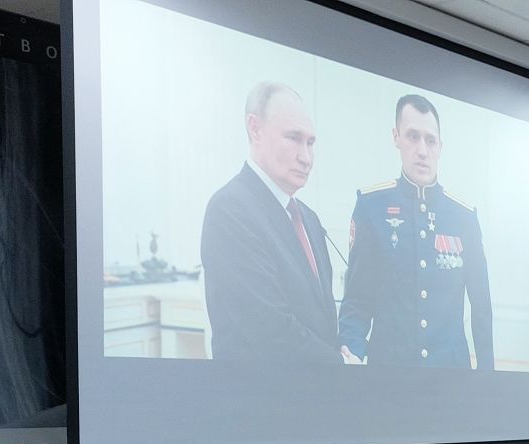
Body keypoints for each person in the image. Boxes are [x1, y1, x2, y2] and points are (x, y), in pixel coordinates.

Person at [339, 94, 493, 369]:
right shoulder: (371, 207)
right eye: (413, 136)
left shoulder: (463, 217)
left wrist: (487, 375)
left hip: (451, 378)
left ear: (440, 147)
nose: (422, 150)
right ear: (396, 137)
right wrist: (351, 358)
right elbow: (357, 301)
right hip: (389, 377)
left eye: (430, 140)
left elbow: (481, 306)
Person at [200, 82, 340, 362]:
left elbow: (323, 320)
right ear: (255, 129)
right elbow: (269, 332)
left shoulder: (309, 219)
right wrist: (341, 367)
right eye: (293, 138)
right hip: (258, 389)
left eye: (310, 143)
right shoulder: (229, 210)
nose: (306, 157)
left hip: (316, 386)